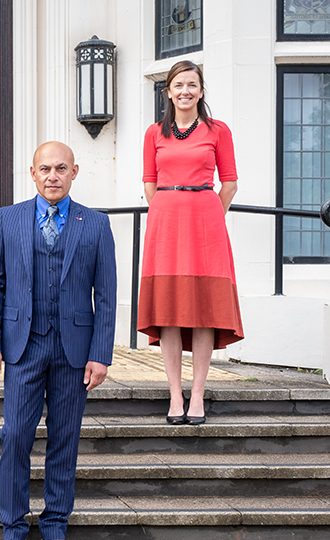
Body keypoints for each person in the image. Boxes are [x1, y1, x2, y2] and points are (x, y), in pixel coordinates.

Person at [0, 142, 117, 540]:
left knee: (64, 437)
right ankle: (13, 522)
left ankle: (56, 519)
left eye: (60, 168)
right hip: (23, 344)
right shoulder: (8, 219)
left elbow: (105, 295)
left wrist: (100, 354)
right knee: (16, 435)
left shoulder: (96, 224)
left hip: (74, 348)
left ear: (74, 172)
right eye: (45, 169)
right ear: (32, 173)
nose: (52, 176)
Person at [137, 60, 243, 426]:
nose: (185, 91)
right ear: (167, 91)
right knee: (167, 310)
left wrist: (210, 213)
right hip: (165, 224)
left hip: (206, 224)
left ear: (201, 90)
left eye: (192, 85)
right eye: (178, 85)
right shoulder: (154, 133)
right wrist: (169, 210)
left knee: (202, 310)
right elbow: (149, 183)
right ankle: (175, 394)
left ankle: (197, 394)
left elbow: (228, 183)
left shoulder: (218, 131)